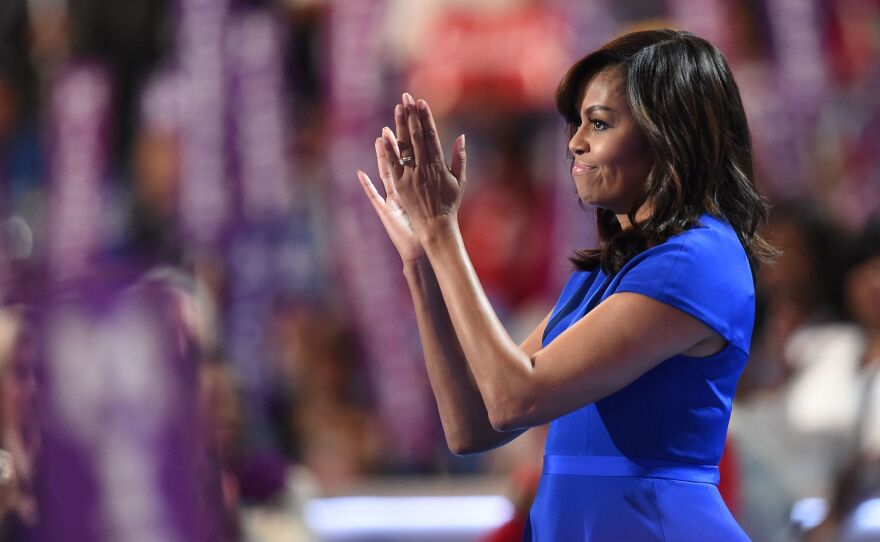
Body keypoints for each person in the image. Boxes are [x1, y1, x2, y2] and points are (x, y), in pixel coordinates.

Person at [357, 29, 774, 540]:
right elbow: (475, 425)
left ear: (670, 134)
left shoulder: (695, 261)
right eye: (577, 123)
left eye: (598, 123)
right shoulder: (605, 273)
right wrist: (423, 260)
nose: (575, 142)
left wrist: (444, 231)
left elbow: (515, 399)